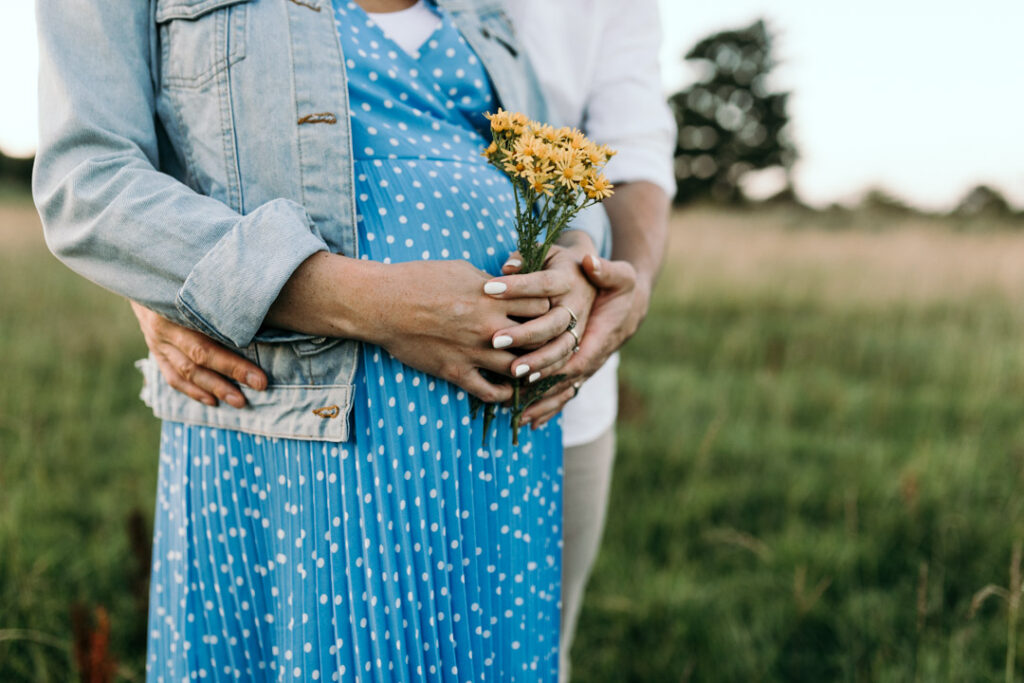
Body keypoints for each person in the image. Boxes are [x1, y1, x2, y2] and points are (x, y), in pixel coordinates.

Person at [34, 0, 606, 679]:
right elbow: (87, 183)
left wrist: (578, 255)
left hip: (499, 449)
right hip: (298, 429)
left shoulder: (476, 7)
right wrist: (378, 304)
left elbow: (560, 167)